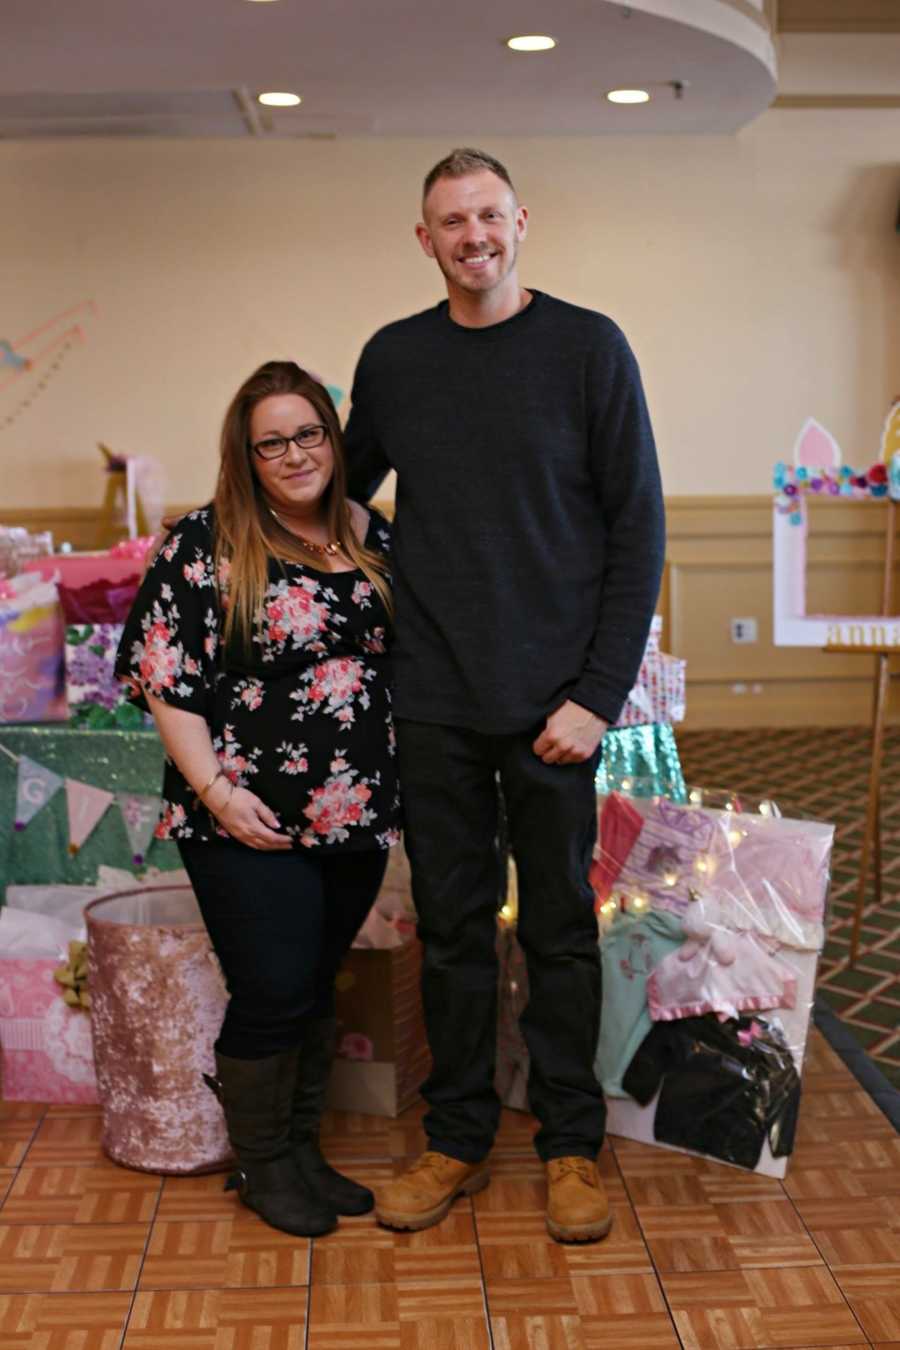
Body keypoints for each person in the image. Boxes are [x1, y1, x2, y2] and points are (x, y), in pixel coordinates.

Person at [343, 148, 665, 1243]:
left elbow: (639, 529)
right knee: (453, 934)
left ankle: (571, 1146)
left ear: (521, 221)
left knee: (565, 934)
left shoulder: (588, 347)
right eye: (450, 220)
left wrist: (598, 694)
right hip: (432, 694)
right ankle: (458, 1139)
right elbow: (331, 493)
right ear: (423, 239)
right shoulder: (393, 359)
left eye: (488, 215)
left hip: (556, 708)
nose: (472, 235)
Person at [116, 361, 399, 1237]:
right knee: (272, 988)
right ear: (246, 455)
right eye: (270, 442)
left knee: (314, 985)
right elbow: (165, 679)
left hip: (355, 812)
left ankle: (300, 1152)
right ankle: (263, 1164)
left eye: (308, 433)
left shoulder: (368, 531)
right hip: (244, 813)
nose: (293, 453)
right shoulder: (203, 543)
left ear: (333, 437)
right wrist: (216, 790)